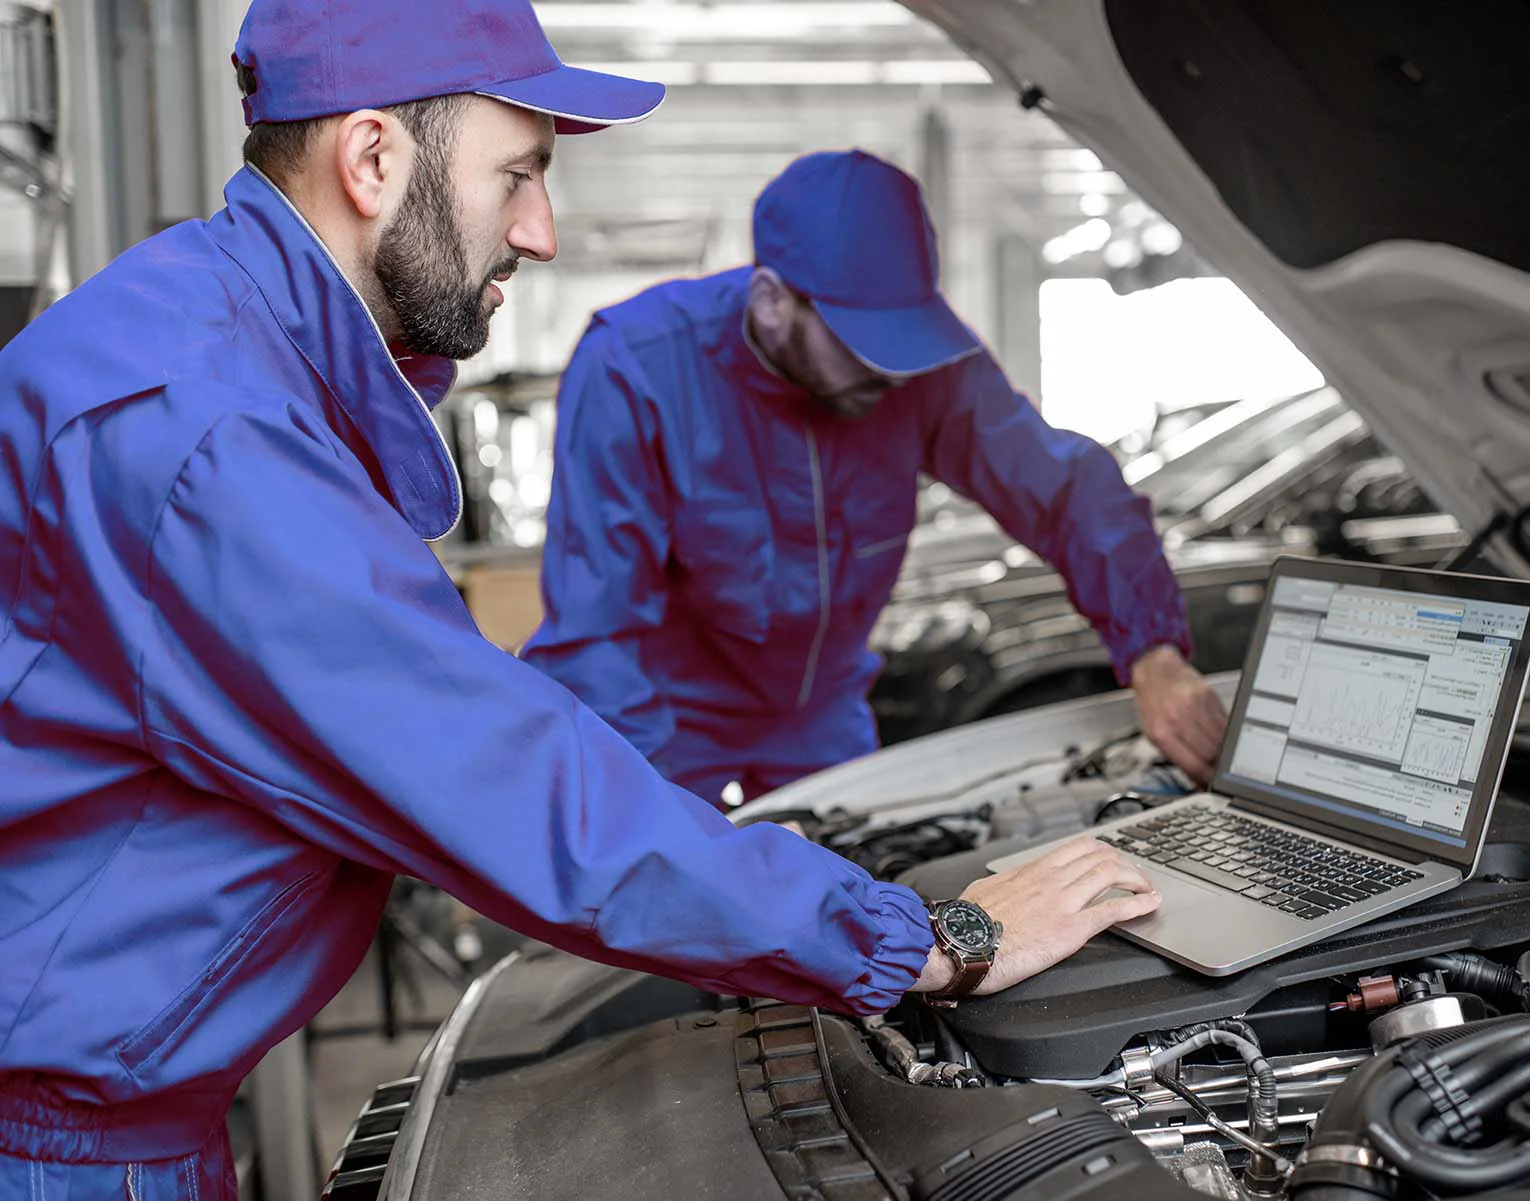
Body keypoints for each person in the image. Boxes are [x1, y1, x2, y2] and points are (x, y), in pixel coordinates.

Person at [0, 3, 1163, 1197]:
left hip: (124, 1110)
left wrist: (1159, 648)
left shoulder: (217, 346)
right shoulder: (208, 430)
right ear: (370, 159)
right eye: (519, 173)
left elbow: (1059, 481)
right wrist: (927, 938)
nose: (541, 232)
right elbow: (497, 769)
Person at [521, 149, 1231, 807]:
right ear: (773, 302)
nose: (891, 371)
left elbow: (1064, 488)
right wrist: (647, 818)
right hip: (666, 717)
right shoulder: (637, 368)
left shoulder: (918, 365)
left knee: (862, 892)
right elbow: (597, 628)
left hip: (823, 713)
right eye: (864, 345)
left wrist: (1153, 650)